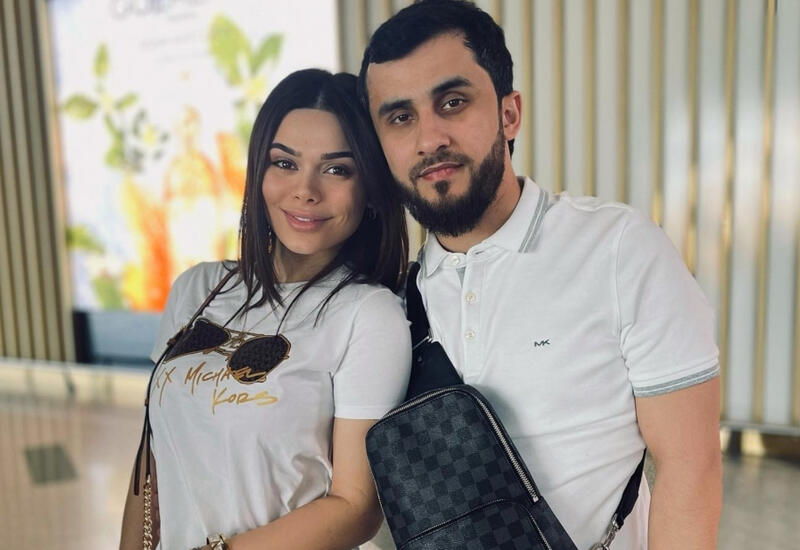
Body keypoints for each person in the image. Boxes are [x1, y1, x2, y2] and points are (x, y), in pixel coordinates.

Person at [358, 1, 722, 548]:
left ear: (509, 114)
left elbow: (690, 468)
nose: (429, 138)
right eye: (400, 117)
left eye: (453, 102)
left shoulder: (619, 250)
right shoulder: (390, 304)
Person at [119, 69, 411, 550]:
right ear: (258, 174)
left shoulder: (369, 316)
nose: (306, 190)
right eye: (285, 163)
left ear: (371, 190)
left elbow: (356, 505)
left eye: (337, 169)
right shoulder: (198, 289)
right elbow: (151, 464)